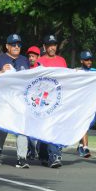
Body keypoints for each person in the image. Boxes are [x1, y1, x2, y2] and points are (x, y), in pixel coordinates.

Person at [0, 34, 30, 168]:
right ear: (7, 46)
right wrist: (1, 71)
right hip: (4, 100)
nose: (16, 47)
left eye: (19, 44)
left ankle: (22, 158)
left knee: (22, 128)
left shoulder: (24, 60)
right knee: (3, 126)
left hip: (20, 100)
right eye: (13, 44)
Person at [37, 35, 67, 168]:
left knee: (53, 127)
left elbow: (67, 79)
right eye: (49, 45)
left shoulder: (62, 61)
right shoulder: (39, 61)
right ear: (44, 47)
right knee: (44, 127)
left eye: (54, 45)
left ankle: (54, 156)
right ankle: (43, 154)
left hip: (57, 99)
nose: (52, 47)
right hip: (43, 100)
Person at [75, 50, 96, 158]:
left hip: (92, 103)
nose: (89, 61)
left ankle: (80, 145)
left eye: (90, 59)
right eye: (86, 60)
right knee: (84, 124)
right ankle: (85, 148)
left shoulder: (95, 71)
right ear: (81, 61)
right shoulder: (77, 72)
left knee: (88, 124)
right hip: (80, 103)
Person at [26, 45, 42, 160]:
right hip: (27, 102)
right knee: (28, 127)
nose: (31, 58)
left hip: (39, 101)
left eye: (33, 56)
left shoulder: (42, 69)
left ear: (38, 57)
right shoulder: (25, 69)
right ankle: (31, 150)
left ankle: (38, 150)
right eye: (30, 56)